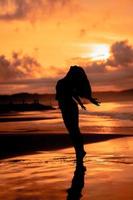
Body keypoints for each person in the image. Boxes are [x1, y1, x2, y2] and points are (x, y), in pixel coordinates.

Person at [56, 66, 100, 163]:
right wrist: (82, 103)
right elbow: (74, 94)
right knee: (75, 130)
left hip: (68, 108)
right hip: (72, 107)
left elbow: (63, 98)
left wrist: (81, 103)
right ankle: (80, 151)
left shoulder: (60, 83)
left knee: (73, 131)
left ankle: (80, 152)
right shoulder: (68, 84)